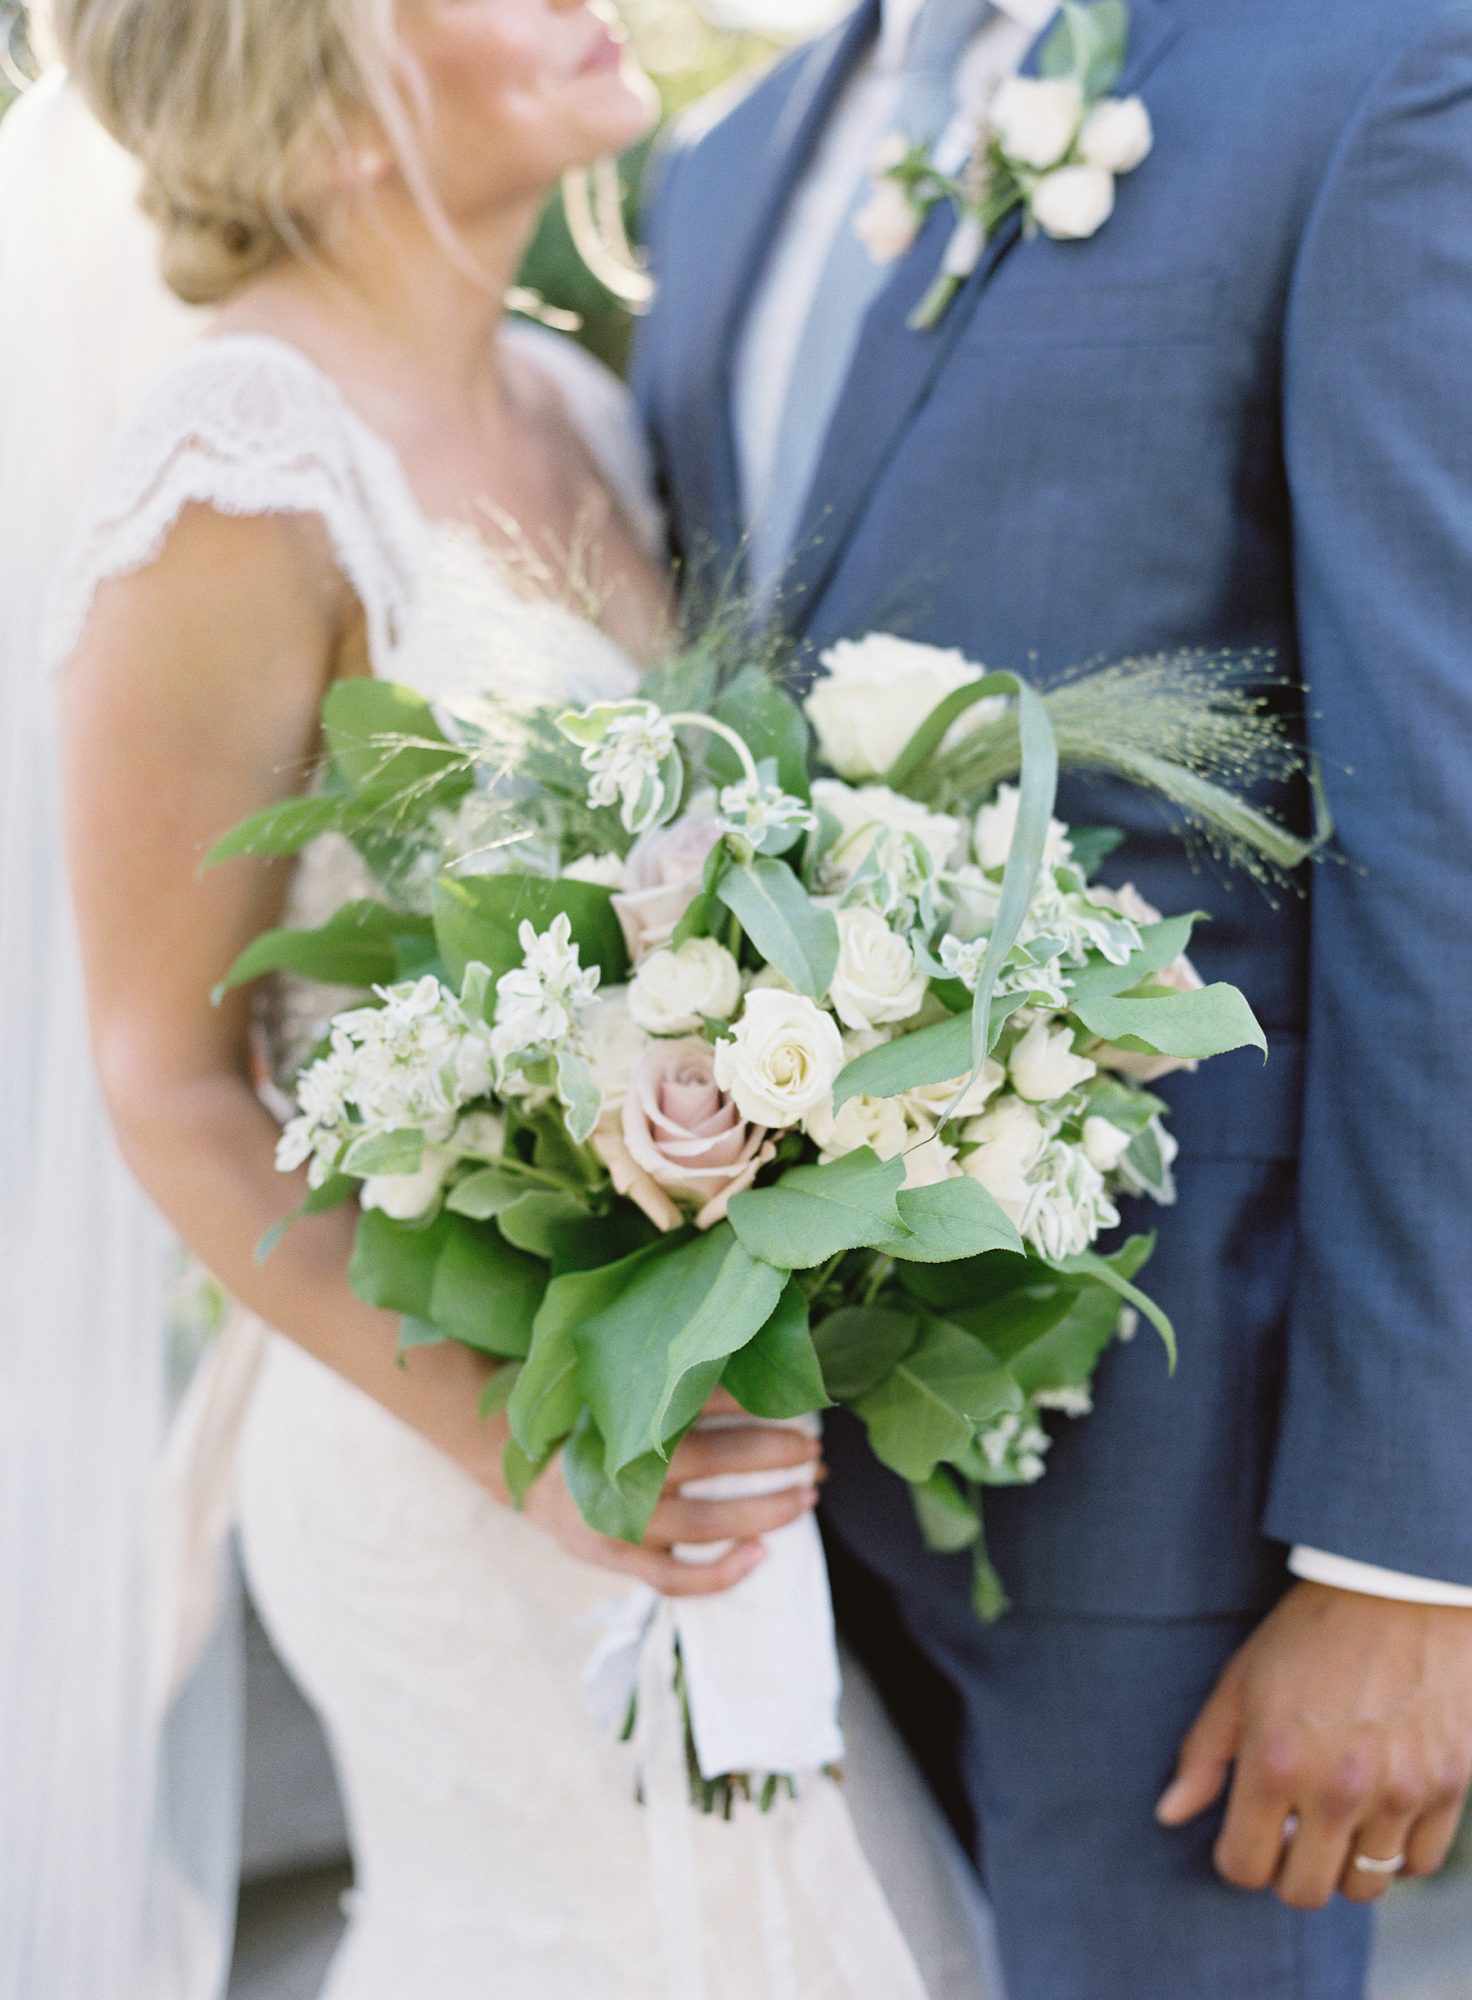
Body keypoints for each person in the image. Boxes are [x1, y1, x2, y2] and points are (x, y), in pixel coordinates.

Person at [36, 2, 991, 1996]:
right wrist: (524, 1442)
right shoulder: (235, 462)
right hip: (440, 1436)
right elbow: (163, 1073)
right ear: (311, 95)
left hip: (682, 1402)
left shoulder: (567, 398)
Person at [631, 1, 1472, 1995]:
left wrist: (1408, 1554)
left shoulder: (1370, 74)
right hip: (767, 1476)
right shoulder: (727, 160)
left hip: (1184, 1490)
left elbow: (1436, 819)